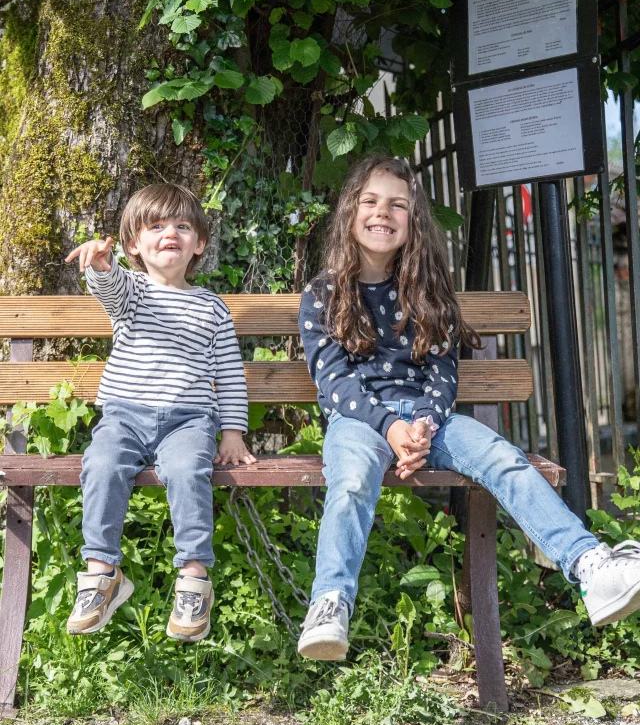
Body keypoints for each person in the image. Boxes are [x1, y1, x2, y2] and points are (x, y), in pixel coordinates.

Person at [296, 154, 640, 661]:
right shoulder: (323, 293)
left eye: (397, 204)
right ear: (350, 211)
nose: (382, 212)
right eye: (370, 201)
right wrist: (390, 428)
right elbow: (334, 382)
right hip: (359, 421)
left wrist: (423, 424)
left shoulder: (426, 290)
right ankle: (330, 603)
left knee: (506, 459)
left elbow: (442, 372)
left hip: (428, 421)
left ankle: (590, 566)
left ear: (414, 220)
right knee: (350, 481)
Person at [64, 183, 256, 642]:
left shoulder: (212, 307)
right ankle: (101, 573)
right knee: (101, 464)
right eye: (156, 226)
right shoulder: (132, 292)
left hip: (189, 420)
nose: (170, 233)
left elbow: (229, 373)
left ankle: (194, 578)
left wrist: (232, 431)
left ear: (199, 243)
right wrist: (102, 265)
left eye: (182, 226)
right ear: (134, 244)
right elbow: (109, 288)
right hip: (124, 417)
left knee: (188, 470)